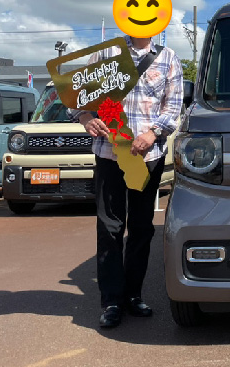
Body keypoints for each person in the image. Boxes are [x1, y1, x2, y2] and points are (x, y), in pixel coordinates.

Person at [69, 35, 183, 328]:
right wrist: (85, 118)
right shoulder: (106, 53)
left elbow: (173, 107)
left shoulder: (168, 57)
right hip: (109, 153)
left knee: (142, 227)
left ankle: (133, 294)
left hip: (148, 156)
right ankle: (111, 301)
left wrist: (152, 133)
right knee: (110, 227)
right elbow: (77, 95)